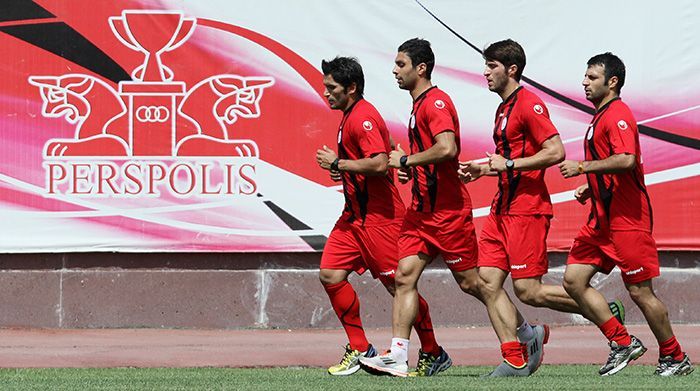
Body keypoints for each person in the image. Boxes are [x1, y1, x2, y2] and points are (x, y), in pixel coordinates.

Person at [359, 38, 535, 378]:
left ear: (420, 68)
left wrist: (407, 158)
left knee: (477, 284)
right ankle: (397, 355)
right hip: (420, 214)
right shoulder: (418, 104)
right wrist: (411, 167)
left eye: (401, 65)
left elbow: (447, 148)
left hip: (447, 215)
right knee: (403, 276)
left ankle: (523, 340)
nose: (395, 71)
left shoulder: (435, 102)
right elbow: (433, 156)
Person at [558, 52, 694, 377]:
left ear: (612, 82)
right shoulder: (600, 116)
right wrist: (590, 186)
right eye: (585, 76)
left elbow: (626, 159)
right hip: (601, 221)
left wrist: (582, 168)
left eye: (592, 77)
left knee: (639, 292)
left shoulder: (618, 114)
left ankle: (675, 357)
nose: (584, 82)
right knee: (574, 281)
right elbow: (614, 164)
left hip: (627, 221)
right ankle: (622, 342)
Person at [458, 38, 585, 377]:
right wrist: (483, 169)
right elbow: (507, 160)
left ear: (511, 69)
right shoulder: (502, 108)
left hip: (527, 209)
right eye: (486, 65)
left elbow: (556, 151)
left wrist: (509, 165)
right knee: (485, 282)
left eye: (492, 66)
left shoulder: (530, 104)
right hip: (502, 209)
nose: (485, 72)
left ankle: (602, 312)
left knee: (528, 290)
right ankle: (516, 354)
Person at [315, 56, 443, 377]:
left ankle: (433, 351)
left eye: (332, 88)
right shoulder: (349, 115)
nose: (326, 93)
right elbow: (370, 161)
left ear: (352, 88)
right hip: (353, 218)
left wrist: (338, 165)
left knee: (400, 287)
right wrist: (344, 169)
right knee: (330, 274)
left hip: (381, 219)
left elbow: (379, 163)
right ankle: (360, 348)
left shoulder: (363, 117)